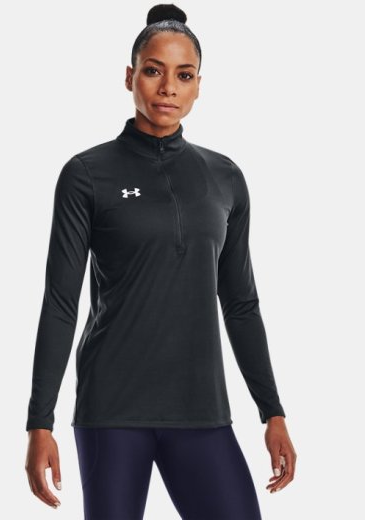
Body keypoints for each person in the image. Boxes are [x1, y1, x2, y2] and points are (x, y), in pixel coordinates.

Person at [25, 3, 297, 519]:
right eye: (154, 71)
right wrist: (40, 421)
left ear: (198, 86)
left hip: (201, 410)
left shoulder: (225, 178)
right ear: (130, 76)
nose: (168, 87)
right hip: (112, 409)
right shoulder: (87, 174)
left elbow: (241, 303)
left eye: (184, 75)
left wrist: (272, 411)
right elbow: (60, 302)